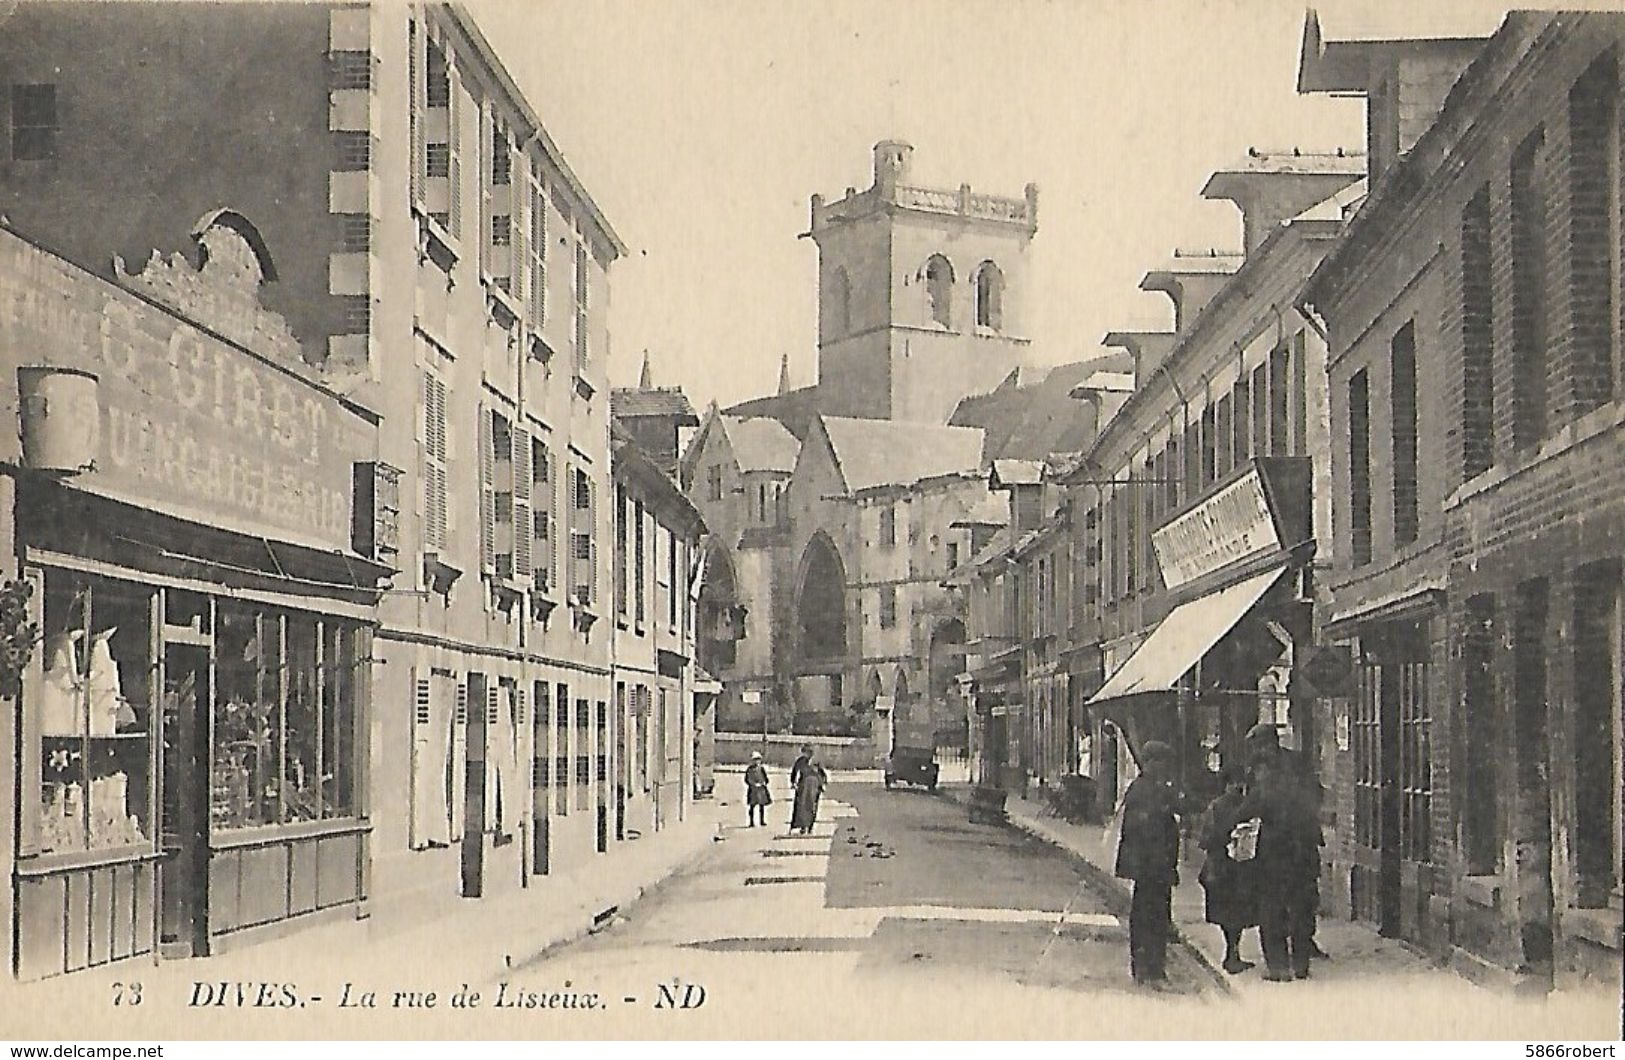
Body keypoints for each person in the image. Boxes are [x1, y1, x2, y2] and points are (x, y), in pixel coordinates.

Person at [1243, 751, 1319, 981]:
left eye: (1258, 770)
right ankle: (1301, 965)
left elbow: (1242, 814)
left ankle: (1278, 968)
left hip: (1273, 862)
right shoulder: (1302, 791)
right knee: (1301, 913)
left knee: (1271, 913)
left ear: (1265, 769)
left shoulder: (1263, 791)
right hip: (1303, 860)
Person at [1114, 740, 1181, 986]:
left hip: (1155, 865)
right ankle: (1147, 968)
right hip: (1150, 865)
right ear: (1151, 763)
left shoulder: (1152, 787)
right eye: (1161, 763)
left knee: (1154, 914)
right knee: (1149, 916)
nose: (1165, 768)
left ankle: (1151, 967)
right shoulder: (1144, 790)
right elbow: (1143, 828)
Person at [1198, 766, 1258, 974]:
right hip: (1222, 865)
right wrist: (1227, 838)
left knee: (1237, 912)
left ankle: (1233, 954)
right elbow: (1206, 839)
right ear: (1225, 785)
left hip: (1240, 866)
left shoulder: (1246, 806)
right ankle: (1231, 954)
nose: (1238, 787)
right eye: (1233, 783)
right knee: (1228, 912)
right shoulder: (1216, 807)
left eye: (1240, 783)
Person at [790, 749, 827, 834]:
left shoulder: (816, 762)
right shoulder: (800, 761)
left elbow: (822, 774)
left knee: (812, 806)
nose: (808, 754)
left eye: (810, 753)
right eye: (806, 752)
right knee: (801, 806)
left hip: (814, 786)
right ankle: (803, 826)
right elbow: (794, 772)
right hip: (803, 785)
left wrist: (823, 784)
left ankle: (810, 826)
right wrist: (793, 783)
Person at [744, 752, 772, 827]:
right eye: (755, 760)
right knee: (752, 806)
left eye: (758, 760)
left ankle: (762, 820)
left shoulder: (761, 769)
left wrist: (763, 783)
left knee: (761, 806)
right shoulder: (749, 769)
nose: (756, 761)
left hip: (761, 789)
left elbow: (766, 778)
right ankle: (751, 822)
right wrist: (753, 784)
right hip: (753, 790)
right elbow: (747, 779)